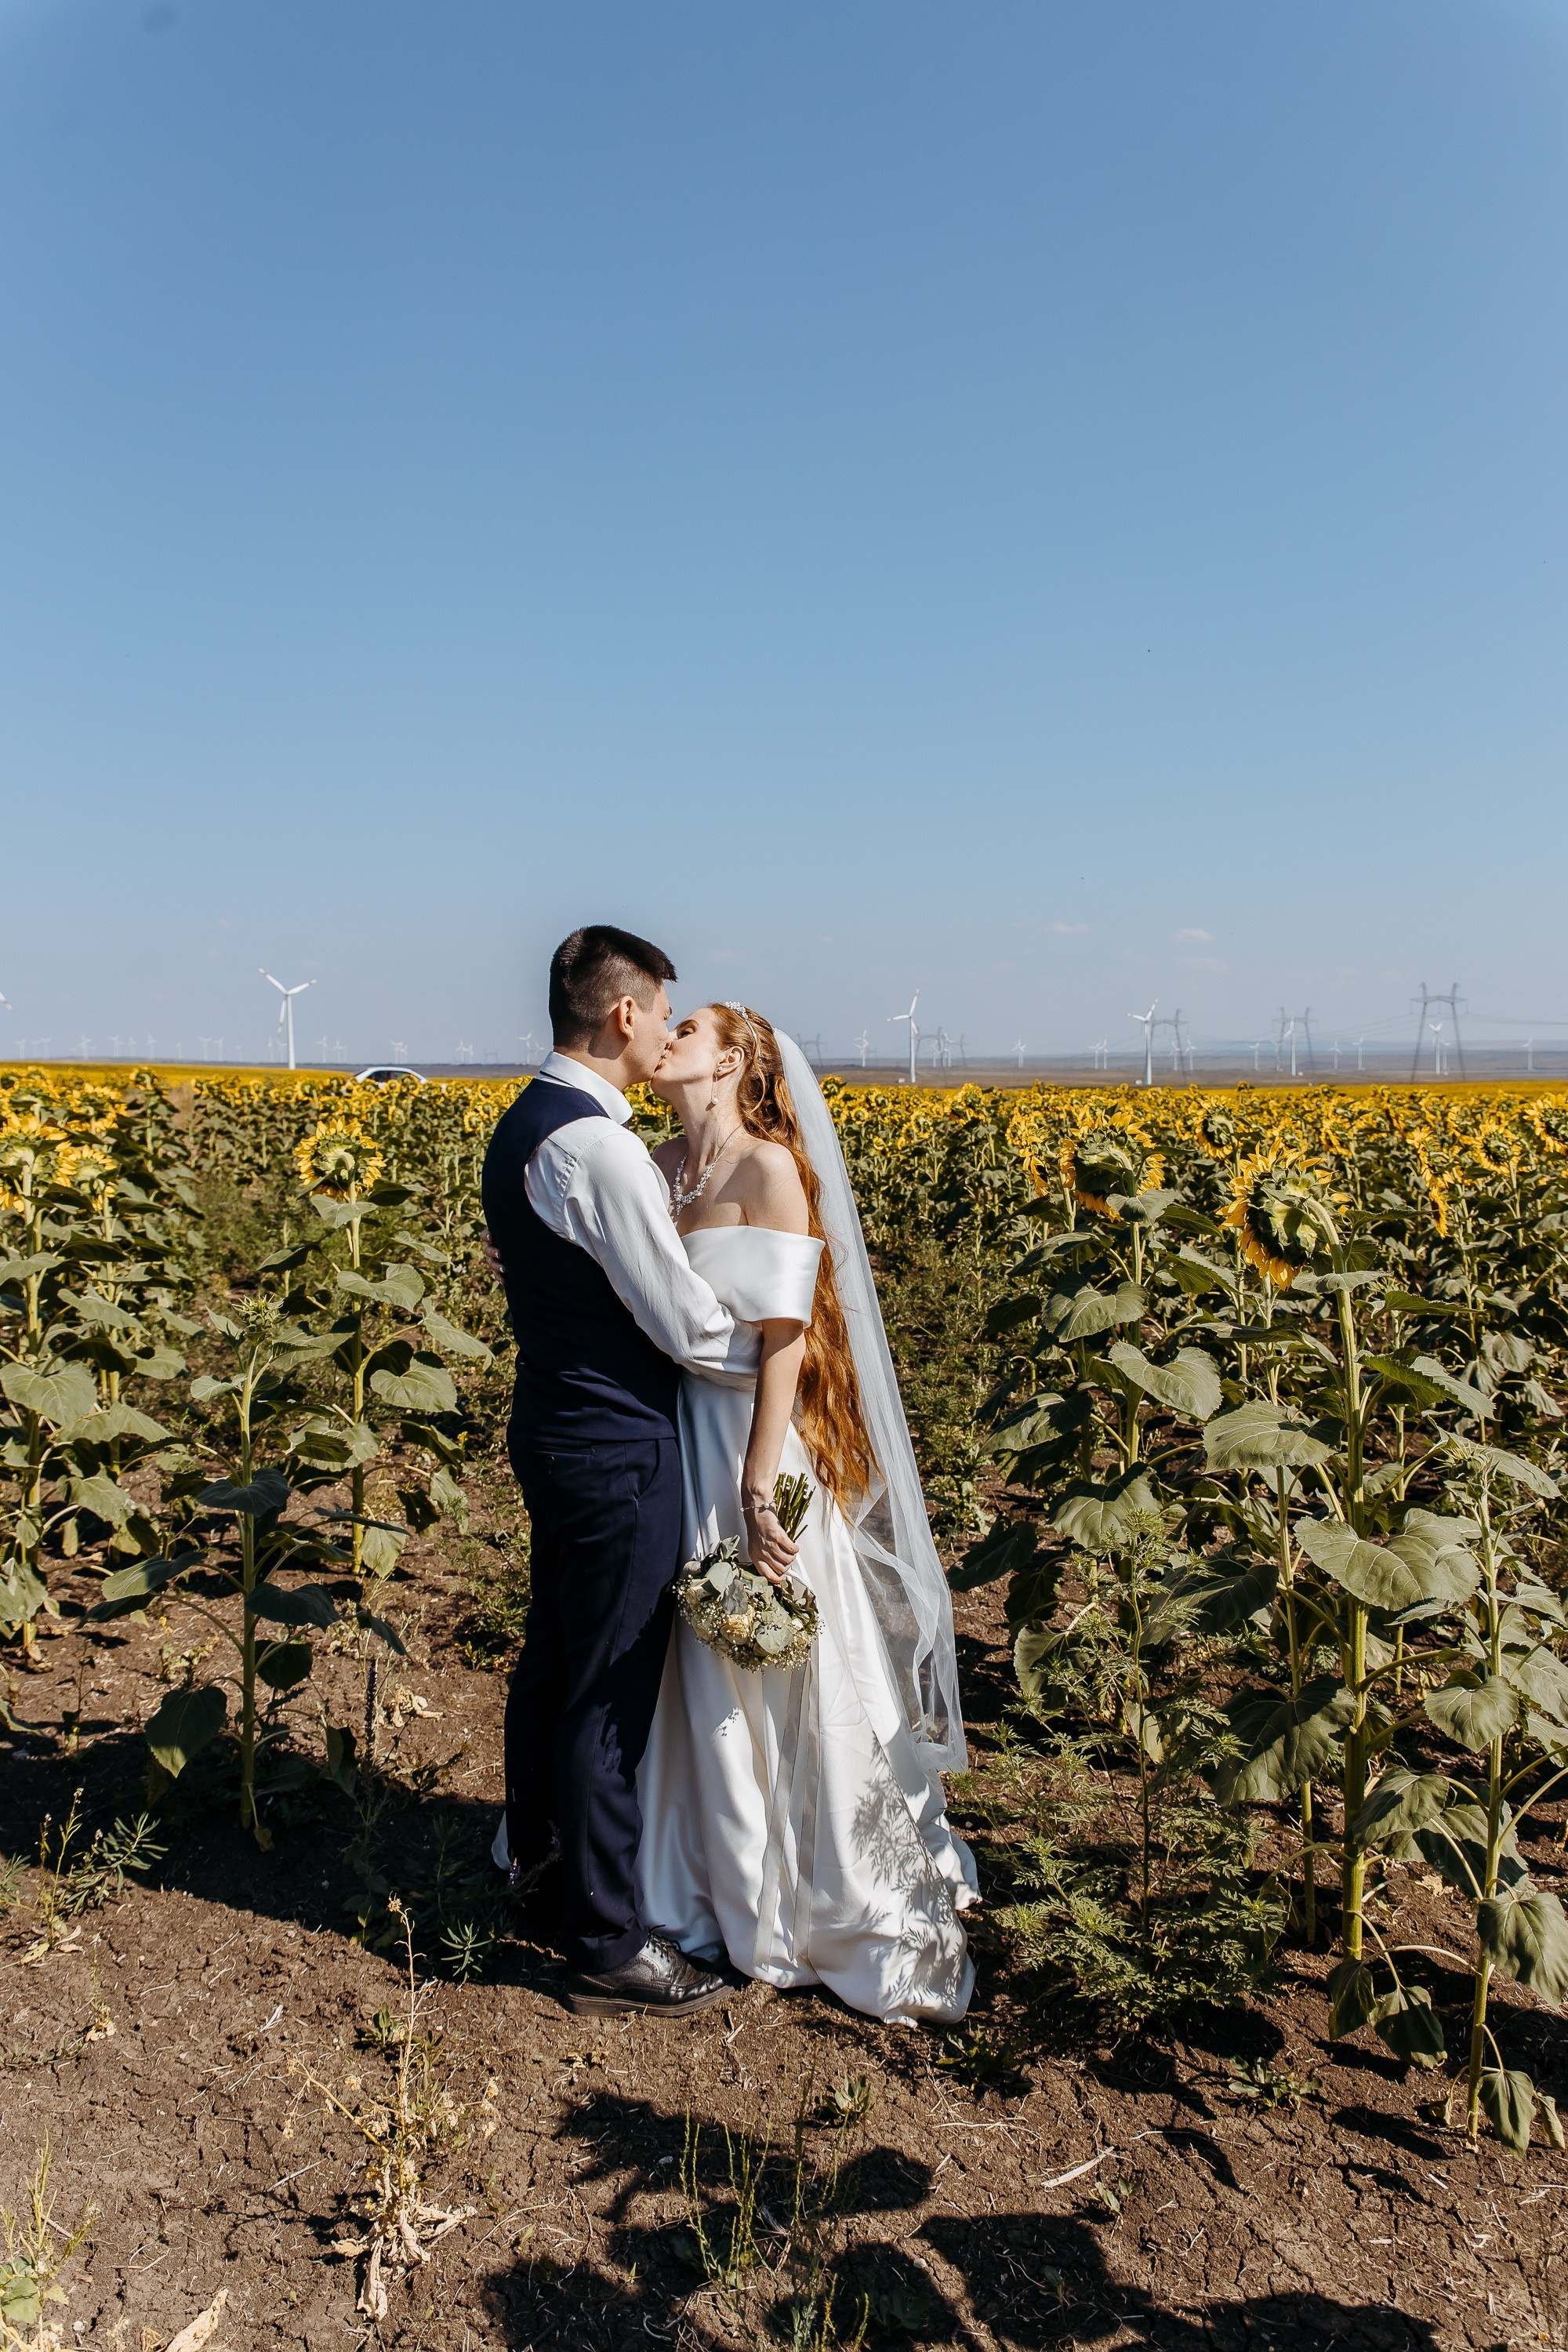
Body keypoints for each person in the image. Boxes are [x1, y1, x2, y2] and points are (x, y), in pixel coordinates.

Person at [635, 1003, 976, 2024]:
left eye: (687, 1025)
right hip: (668, 1437)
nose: (667, 1032)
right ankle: (693, 1878)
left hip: (750, 1440)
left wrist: (756, 1482)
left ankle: (823, 1889)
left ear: (733, 1059)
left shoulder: (770, 1169)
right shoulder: (654, 1164)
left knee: (777, 1652)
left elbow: (784, 1338)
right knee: (686, 1663)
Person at [481, 925, 737, 2018]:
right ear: (624, 1013)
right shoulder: (596, 1147)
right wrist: (789, 1354)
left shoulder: (523, 1125)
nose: (666, 1028)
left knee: (554, 1657)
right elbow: (683, 1322)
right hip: (614, 1442)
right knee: (609, 1683)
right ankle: (606, 1940)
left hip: (553, 1419)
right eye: (661, 1008)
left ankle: (538, 1868)